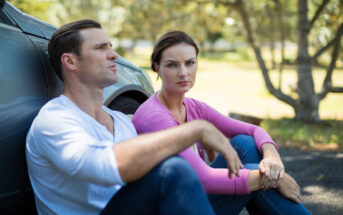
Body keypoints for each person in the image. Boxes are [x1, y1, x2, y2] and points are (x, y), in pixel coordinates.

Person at [25, 20, 244, 215]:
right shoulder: (54, 120)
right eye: (101, 48)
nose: (114, 55)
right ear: (70, 62)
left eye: (110, 47)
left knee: (249, 153)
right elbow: (104, 166)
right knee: (173, 170)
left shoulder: (120, 121)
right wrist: (195, 130)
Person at [132, 31, 311, 215]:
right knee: (253, 174)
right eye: (172, 65)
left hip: (193, 195)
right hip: (174, 207)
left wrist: (273, 158)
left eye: (190, 63)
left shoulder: (193, 107)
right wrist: (276, 179)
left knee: (245, 143)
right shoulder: (154, 117)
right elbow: (204, 179)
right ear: (157, 67)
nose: (183, 72)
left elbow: (252, 130)